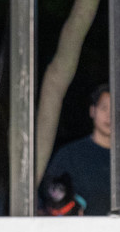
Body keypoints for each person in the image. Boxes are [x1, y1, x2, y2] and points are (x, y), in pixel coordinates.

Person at [38, 84, 111, 215]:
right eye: (104, 108)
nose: (109, 115)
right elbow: (48, 196)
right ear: (92, 111)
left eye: (116, 109)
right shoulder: (70, 155)